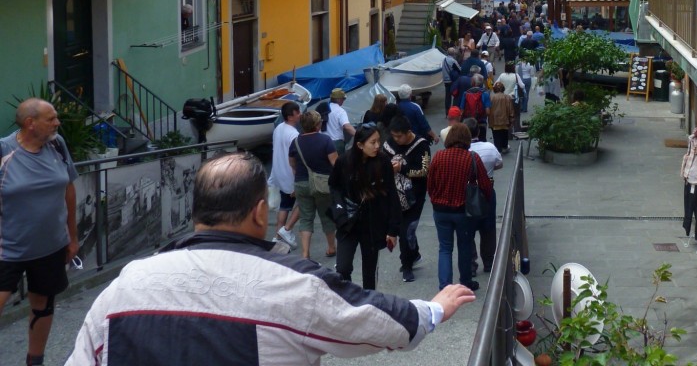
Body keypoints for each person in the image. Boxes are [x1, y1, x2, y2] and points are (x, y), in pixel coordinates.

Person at [66, 153, 476, 364]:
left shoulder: (125, 284)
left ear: (195, 212)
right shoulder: (293, 283)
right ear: (261, 213)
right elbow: (379, 322)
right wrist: (433, 310)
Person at [0, 99, 78, 366]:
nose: (57, 123)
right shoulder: (3, 151)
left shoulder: (57, 145)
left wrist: (72, 237)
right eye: (51, 118)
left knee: (43, 303)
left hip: (51, 245)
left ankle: (35, 361)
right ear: (30, 124)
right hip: (7, 248)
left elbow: (68, 188)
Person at [328, 124, 400, 290]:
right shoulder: (344, 161)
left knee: (369, 271)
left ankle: (369, 304)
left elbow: (391, 195)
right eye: (372, 142)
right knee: (343, 268)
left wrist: (393, 229)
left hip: (373, 224)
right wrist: (339, 210)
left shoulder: (383, 162)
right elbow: (334, 186)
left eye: (378, 142)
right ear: (360, 145)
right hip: (348, 222)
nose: (377, 146)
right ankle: (347, 298)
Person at [427, 123, 493, 292]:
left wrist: (435, 199)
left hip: (440, 210)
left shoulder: (439, 156)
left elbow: (430, 183)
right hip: (463, 211)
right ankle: (465, 282)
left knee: (445, 248)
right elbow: (485, 185)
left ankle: (445, 287)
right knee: (464, 246)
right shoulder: (472, 158)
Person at [383, 115, 431, 283]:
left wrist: (402, 168)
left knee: (406, 230)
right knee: (404, 229)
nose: (396, 139)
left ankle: (407, 265)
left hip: (415, 196)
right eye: (394, 136)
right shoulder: (388, 145)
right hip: (394, 195)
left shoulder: (421, 145)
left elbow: (424, 171)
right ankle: (413, 253)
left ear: (408, 132)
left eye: (399, 136)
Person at [289, 109, 339, 260]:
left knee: (305, 218)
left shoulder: (295, 142)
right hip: (323, 184)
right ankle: (331, 247)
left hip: (302, 183)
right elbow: (335, 163)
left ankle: (305, 253)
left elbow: (292, 163)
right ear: (317, 125)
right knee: (326, 216)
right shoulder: (325, 140)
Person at [462, 118, 502, 276]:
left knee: (468, 229)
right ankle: (489, 262)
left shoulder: (462, 151)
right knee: (488, 229)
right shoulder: (490, 147)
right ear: (478, 132)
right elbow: (499, 164)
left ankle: (471, 264)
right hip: (487, 192)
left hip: (467, 193)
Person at [267, 101, 301, 249]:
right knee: (305, 203)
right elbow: (296, 158)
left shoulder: (279, 128)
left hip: (279, 172)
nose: (299, 115)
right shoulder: (293, 134)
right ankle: (286, 230)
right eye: (297, 113)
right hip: (290, 175)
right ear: (290, 116)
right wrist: (296, 179)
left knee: (284, 206)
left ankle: (277, 237)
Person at [459, 74, 491, 141]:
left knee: (469, 142)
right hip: (481, 122)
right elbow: (488, 112)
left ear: (473, 83)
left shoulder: (466, 94)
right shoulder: (485, 94)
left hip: (469, 123)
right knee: (482, 141)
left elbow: (461, 111)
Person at [325, 88, 356, 157]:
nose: (343, 101)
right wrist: (358, 134)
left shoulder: (323, 108)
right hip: (336, 144)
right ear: (338, 99)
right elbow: (347, 126)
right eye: (343, 99)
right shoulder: (340, 111)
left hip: (323, 142)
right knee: (340, 165)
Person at [488, 82, 516, 154]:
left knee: (496, 135)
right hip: (505, 120)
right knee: (504, 134)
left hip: (494, 120)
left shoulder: (491, 97)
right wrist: (512, 119)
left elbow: (488, 109)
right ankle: (504, 146)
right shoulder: (507, 97)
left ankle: (498, 148)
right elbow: (511, 110)